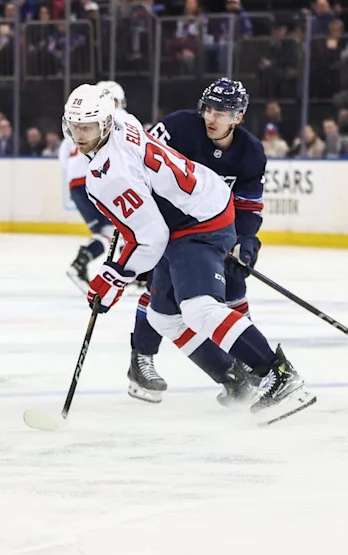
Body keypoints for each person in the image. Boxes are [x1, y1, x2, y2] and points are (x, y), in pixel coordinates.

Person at [63, 83, 314, 422]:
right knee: (163, 316)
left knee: (200, 309)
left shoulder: (111, 176)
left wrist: (113, 277)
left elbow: (151, 238)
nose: (79, 135)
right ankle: (233, 378)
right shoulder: (125, 122)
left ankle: (277, 373)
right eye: (75, 125)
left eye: (88, 126)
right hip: (189, 213)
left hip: (199, 221)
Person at [131, 78, 268, 404]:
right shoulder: (178, 127)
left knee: (233, 285)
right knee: (161, 294)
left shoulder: (250, 152)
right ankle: (141, 358)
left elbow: (247, 206)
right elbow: (136, 166)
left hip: (213, 232)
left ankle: (244, 369)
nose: (212, 117)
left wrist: (247, 241)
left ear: (239, 117)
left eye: (222, 112)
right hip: (168, 227)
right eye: (208, 108)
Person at [62, 80, 132, 290]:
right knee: (123, 228)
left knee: (109, 231)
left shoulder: (79, 120)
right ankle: (129, 272)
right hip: (102, 180)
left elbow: (64, 155)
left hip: (76, 184)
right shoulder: (121, 118)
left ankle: (83, 263)